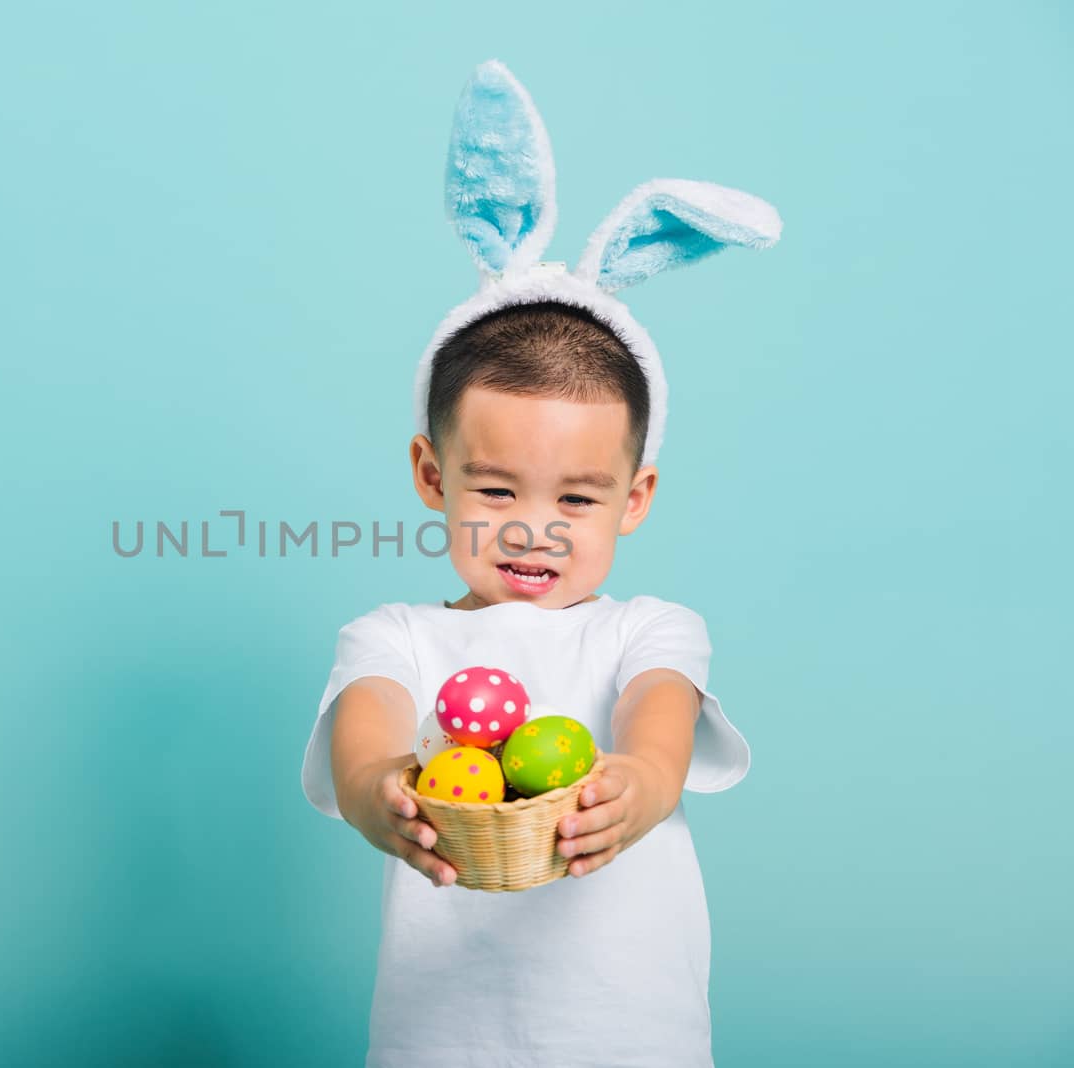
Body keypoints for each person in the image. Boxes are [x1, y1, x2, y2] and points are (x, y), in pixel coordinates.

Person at [298, 59, 781, 1067]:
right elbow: (365, 741)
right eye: (494, 491)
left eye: (576, 499)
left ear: (634, 499)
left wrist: (639, 787)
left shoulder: (649, 629)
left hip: (631, 1038)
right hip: (441, 1039)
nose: (532, 531)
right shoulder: (394, 635)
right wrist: (383, 790)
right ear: (430, 476)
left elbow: (658, 726)